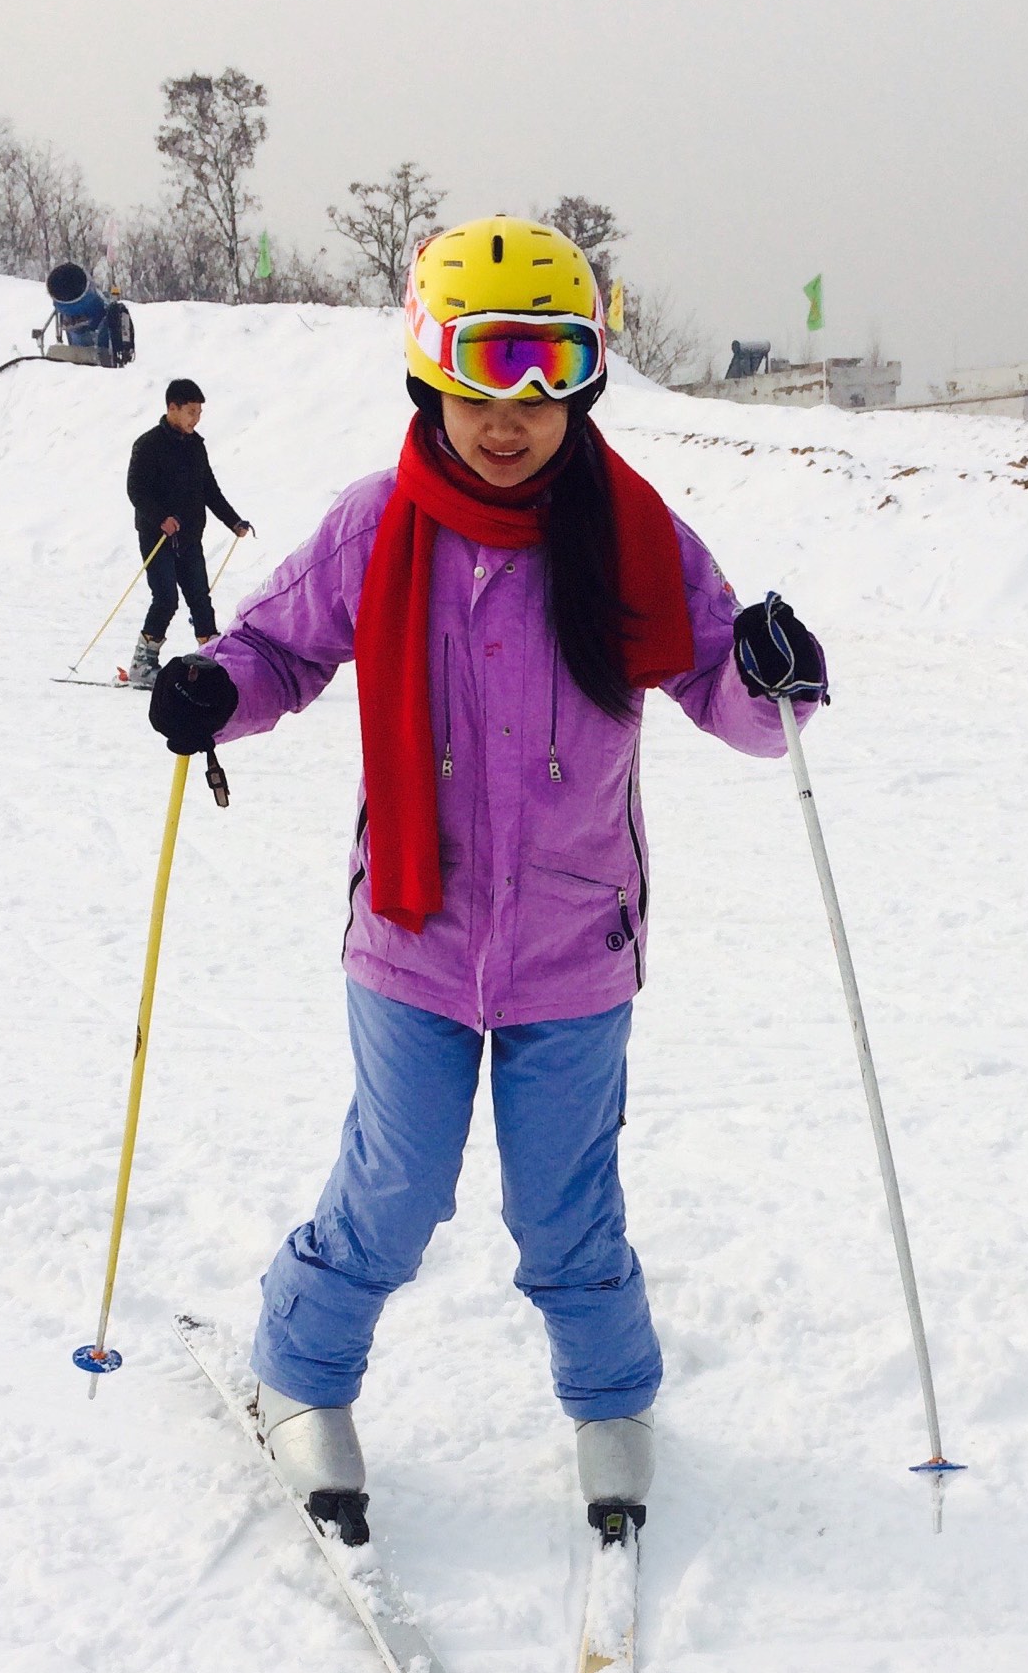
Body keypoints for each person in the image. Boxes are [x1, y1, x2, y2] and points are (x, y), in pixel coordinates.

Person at [144, 216, 827, 1527]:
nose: (506, 411)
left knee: (567, 1207)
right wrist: (210, 688)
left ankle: (612, 1399)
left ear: (581, 380)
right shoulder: (378, 524)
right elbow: (278, 649)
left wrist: (768, 671)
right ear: (427, 368)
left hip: (576, 952)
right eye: (475, 370)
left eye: (542, 372)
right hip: (411, 939)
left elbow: (724, 699)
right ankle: (299, 1372)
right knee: (395, 1189)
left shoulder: (635, 536)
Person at [124, 378, 252, 688]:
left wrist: (233, 521)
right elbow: (136, 490)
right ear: (172, 408)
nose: (196, 418)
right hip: (157, 537)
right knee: (166, 597)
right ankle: (143, 664)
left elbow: (209, 489)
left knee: (200, 597)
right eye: (191, 412)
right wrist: (159, 519)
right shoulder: (148, 444)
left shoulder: (196, 447)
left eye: (199, 412)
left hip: (190, 536)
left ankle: (210, 659)